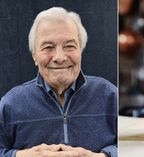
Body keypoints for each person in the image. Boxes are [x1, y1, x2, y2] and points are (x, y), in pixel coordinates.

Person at [0, 7, 117, 157]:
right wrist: (19, 155)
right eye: (48, 47)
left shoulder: (110, 95)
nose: (60, 57)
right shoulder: (11, 104)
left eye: (69, 46)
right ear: (34, 55)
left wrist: (104, 156)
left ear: (80, 50)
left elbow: (130, 144)